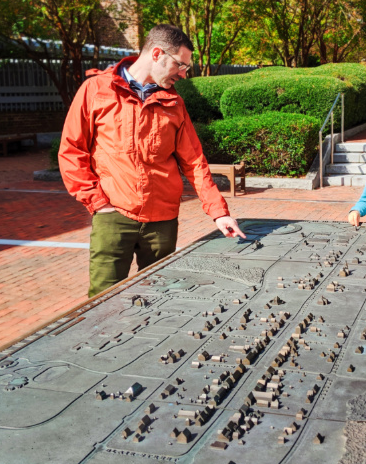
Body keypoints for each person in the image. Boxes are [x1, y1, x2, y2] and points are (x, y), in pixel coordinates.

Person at [59, 24, 245, 297]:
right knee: (103, 302)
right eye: (181, 65)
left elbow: (194, 161)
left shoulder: (174, 103)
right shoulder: (96, 90)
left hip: (162, 221)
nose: (183, 74)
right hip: (114, 217)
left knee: (158, 297)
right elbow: (72, 151)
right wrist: (98, 202)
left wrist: (219, 213)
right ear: (157, 53)